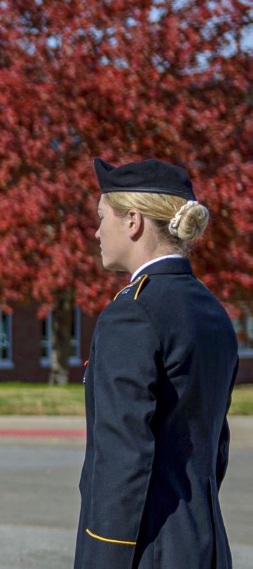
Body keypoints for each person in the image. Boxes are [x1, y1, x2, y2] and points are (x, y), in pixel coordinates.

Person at [75, 158, 237, 568]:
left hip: (147, 549)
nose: (96, 232)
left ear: (133, 221)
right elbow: (215, 446)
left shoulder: (132, 313)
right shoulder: (212, 310)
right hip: (207, 543)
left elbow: (122, 457)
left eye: (101, 218)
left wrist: (104, 557)